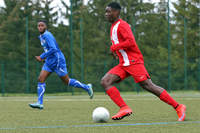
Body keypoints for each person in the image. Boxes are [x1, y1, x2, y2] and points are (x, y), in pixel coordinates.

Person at [101, 2, 186, 121]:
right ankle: (124, 108)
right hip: (124, 64)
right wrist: (116, 52)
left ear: (116, 12)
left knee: (149, 86)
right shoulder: (113, 26)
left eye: (109, 11)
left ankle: (178, 107)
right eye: (106, 11)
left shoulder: (122, 25)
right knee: (105, 81)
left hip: (133, 62)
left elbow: (130, 42)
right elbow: (119, 44)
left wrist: (114, 48)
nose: (106, 14)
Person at [29, 20, 93, 109]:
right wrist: (45, 58)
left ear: (46, 27)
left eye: (42, 25)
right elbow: (48, 50)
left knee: (66, 81)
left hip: (58, 60)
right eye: (38, 25)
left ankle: (87, 87)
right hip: (49, 61)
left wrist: (42, 56)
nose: (40, 27)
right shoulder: (41, 36)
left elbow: (53, 49)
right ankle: (40, 103)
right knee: (41, 79)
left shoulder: (47, 35)